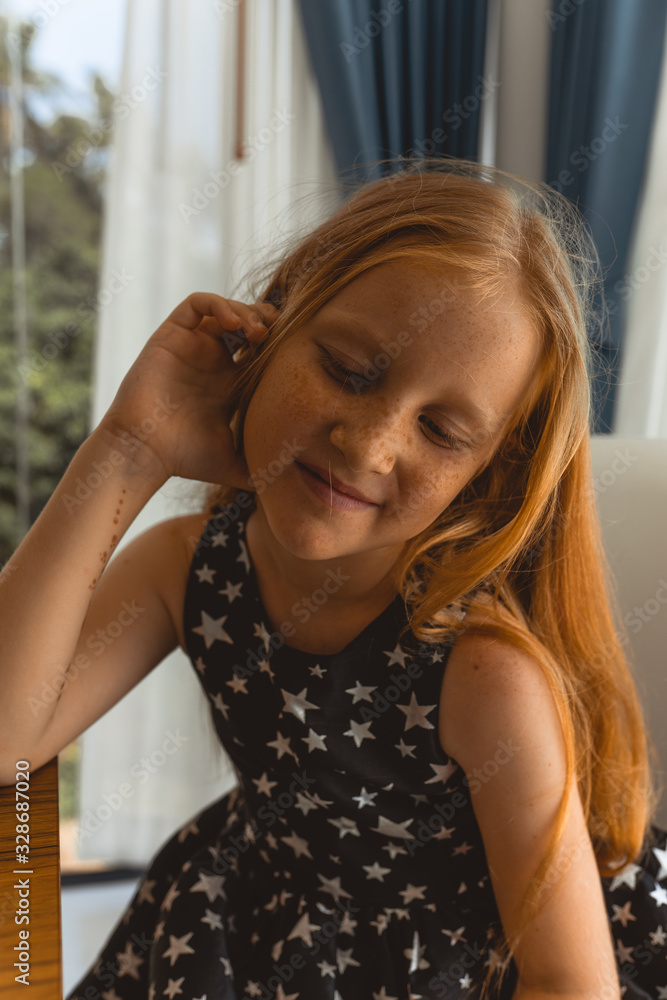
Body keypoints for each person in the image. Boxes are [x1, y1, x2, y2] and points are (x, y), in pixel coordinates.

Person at [1, 157, 666, 1000]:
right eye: (349, 371)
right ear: (267, 330)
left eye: (440, 430)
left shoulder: (485, 674)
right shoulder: (186, 566)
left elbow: (571, 984)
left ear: (488, 475)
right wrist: (129, 450)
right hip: (253, 922)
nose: (368, 444)